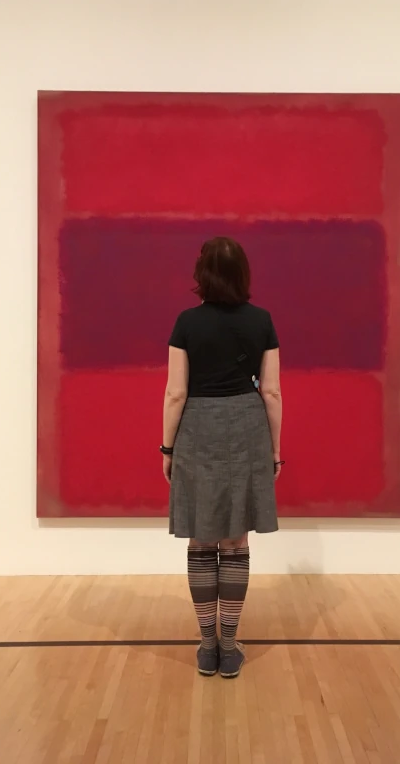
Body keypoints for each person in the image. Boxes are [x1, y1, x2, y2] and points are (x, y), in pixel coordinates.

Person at [160, 237, 283, 678]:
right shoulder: (262, 321)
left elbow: (176, 393)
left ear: (203, 274)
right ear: (242, 273)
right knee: (235, 542)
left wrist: (167, 448)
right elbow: (270, 391)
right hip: (248, 427)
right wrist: (274, 449)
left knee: (201, 539)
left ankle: (206, 644)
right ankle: (229, 647)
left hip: (198, 429)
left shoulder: (186, 323)